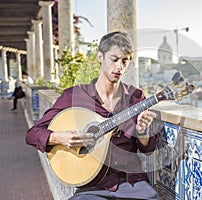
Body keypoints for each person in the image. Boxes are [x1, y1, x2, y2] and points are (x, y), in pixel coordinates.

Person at [25, 31, 160, 200]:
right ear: (100, 57)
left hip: (131, 182)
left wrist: (142, 132)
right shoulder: (74, 96)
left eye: (125, 61)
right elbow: (32, 134)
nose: (119, 66)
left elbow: (148, 149)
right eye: (114, 59)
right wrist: (59, 137)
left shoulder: (136, 97)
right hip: (92, 185)